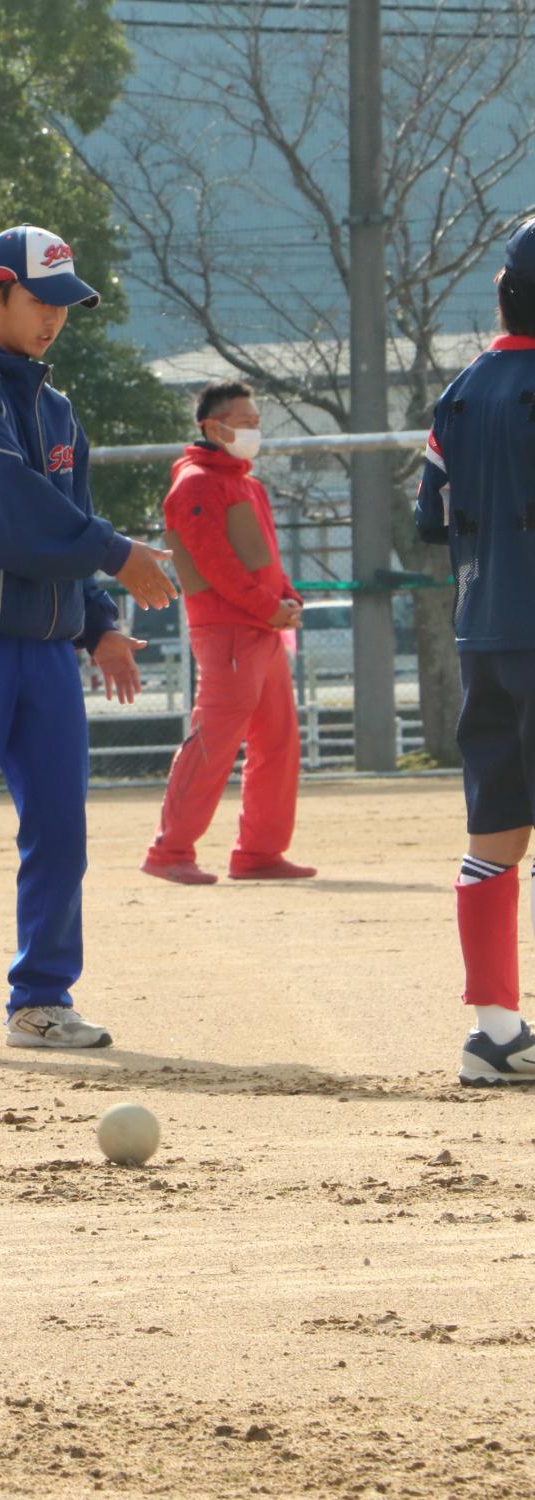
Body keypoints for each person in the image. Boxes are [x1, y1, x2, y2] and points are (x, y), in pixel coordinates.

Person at [0, 224, 178, 1058]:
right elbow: (10, 517)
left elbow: (61, 532)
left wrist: (99, 627)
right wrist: (118, 554)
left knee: (60, 826)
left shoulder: (57, 409)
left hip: (45, 651)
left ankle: (41, 999)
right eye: (39, 299)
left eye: (65, 304)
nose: (53, 317)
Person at [415, 216, 535, 1086]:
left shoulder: (456, 394)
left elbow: (431, 519)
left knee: (494, 832)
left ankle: (494, 1032)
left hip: (484, 632)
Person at [141, 381, 313, 884]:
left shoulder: (246, 483)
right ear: (212, 427)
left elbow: (264, 559)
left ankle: (259, 852)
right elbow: (215, 565)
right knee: (213, 742)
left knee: (277, 743)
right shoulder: (194, 484)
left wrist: (287, 599)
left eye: (257, 421)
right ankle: (169, 850)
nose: (254, 430)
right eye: (245, 421)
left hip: (259, 629)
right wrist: (271, 607)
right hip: (229, 633)